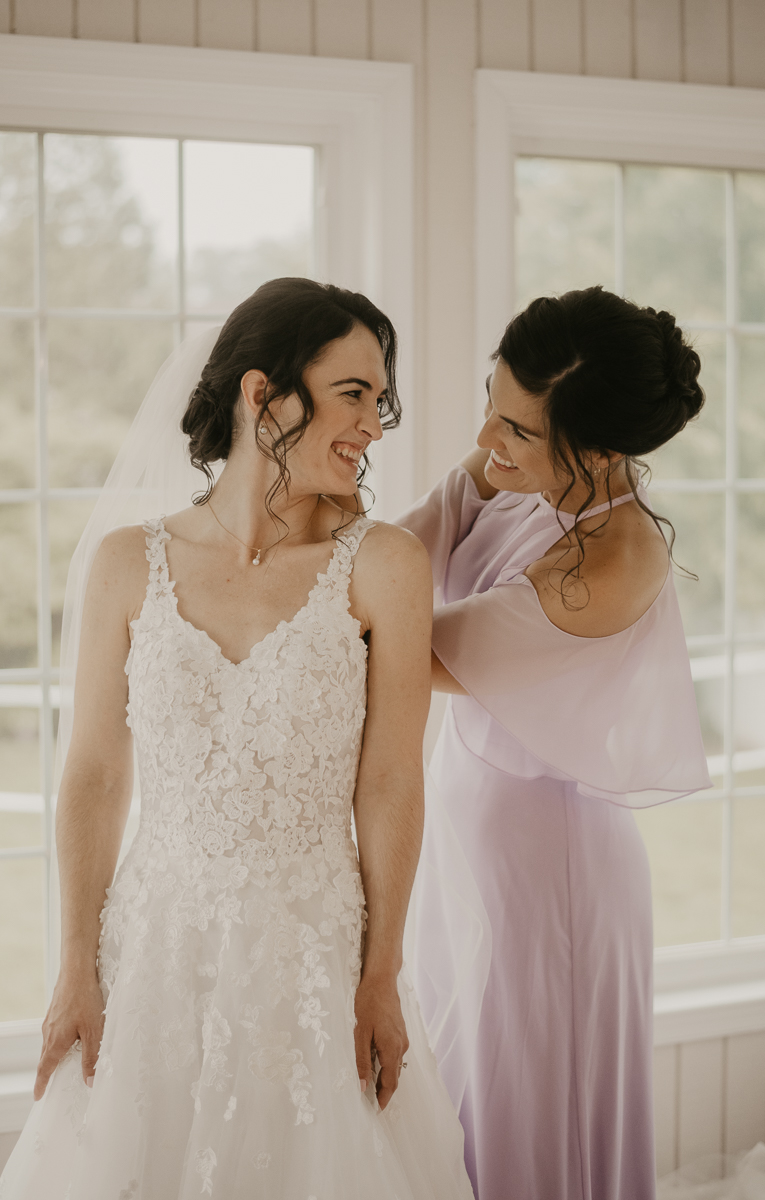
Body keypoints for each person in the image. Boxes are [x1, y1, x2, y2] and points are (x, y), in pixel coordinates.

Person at [0, 278, 475, 1200]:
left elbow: (389, 784)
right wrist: (73, 967)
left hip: (316, 959)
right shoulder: (126, 564)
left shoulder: (384, 566)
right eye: (353, 394)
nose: (374, 426)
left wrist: (381, 971)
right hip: (150, 956)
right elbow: (96, 777)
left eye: (381, 403)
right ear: (265, 393)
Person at [396, 286, 713, 1200]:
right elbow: (409, 550)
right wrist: (485, 463)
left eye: (517, 431)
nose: (489, 444)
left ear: (603, 448)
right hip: (474, 848)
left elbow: (400, 633)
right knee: (468, 1105)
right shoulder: (525, 469)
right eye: (488, 408)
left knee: (537, 1120)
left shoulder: (606, 560)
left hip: (551, 876)